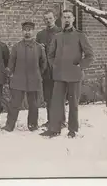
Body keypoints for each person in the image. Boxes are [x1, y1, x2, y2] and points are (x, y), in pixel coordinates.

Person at [40, 9, 94, 138]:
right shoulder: (57, 36)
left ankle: (73, 129)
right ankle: (54, 129)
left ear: (73, 19)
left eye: (69, 17)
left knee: (73, 104)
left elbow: (90, 55)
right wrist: (55, 66)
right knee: (56, 103)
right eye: (64, 17)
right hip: (59, 75)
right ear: (61, 20)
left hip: (74, 76)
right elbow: (50, 55)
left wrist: (80, 66)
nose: (67, 19)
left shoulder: (80, 35)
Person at [3, 21, 47, 132]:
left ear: (33, 31)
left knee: (33, 104)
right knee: (15, 104)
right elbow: (11, 63)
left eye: (29, 30)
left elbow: (43, 63)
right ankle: (9, 126)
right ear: (22, 31)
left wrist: (37, 74)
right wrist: (11, 74)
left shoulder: (39, 48)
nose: (27, 32)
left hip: (34, 79)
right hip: (18, 79)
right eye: (25, 30)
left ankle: (33, 125)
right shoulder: (16, 47)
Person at [35, 11, 66, 128]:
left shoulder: (60, 32)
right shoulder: (40, 34)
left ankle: (62, 121)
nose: (48, 21)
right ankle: (50, 120)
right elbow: (37, 54)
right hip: (46, 72)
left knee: (59, 96)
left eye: (50, 18)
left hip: (58, 70)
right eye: (46, 19)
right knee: (48, 97)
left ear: (54, 19)